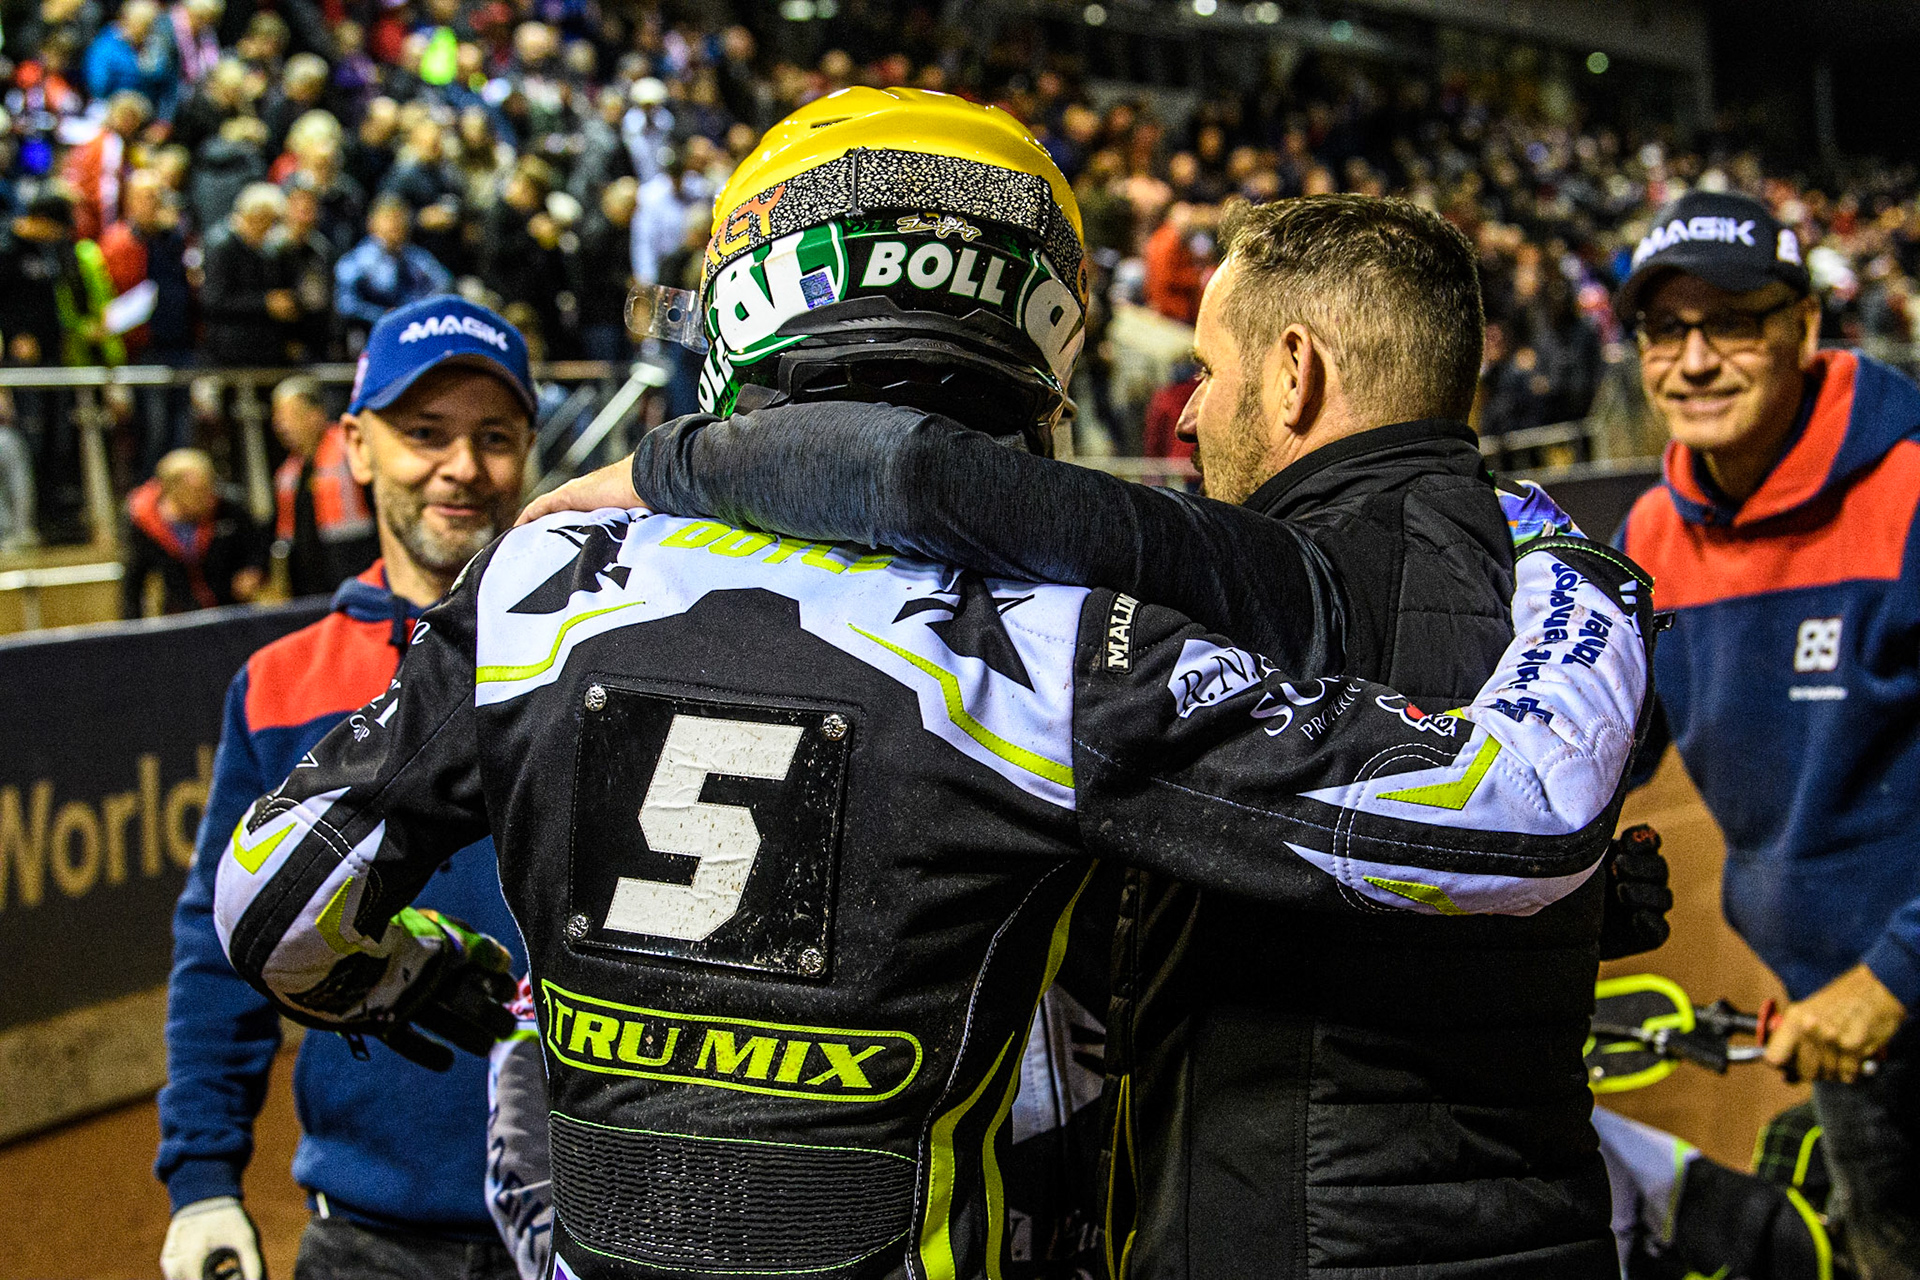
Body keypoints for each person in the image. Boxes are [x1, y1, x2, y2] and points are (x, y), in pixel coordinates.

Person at [214, 91, 1655, 1280]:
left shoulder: (534, 582)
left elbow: (267, 903)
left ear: (755, 294)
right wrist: (1577, 581)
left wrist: (433, 983)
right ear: (1028, 325)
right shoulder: (1045, 639)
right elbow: (1508, 822)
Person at [156, 297, 537, 1280]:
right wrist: (203, 1176)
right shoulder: (279, 681)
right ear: (356, 447)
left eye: (494, 437)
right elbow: (217, 949)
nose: (462, 466)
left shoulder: (593, 657)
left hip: (585, 1221)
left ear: (528, 452)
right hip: (367, 1227)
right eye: (425, 433)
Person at [1616, 189, 1920, 1279]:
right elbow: (1600, 749)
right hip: (1845, 1025)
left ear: (1801, 323)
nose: (1694, 360)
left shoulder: (1913, 488)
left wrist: (1894, 974)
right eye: (1665, 329)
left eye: (1731, 322)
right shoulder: (1651, 532)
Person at [123, 448, 267, 616]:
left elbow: (257, 545)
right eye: (197, 491)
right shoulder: (145, 522)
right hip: (181, 616)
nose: (208, 498)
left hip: (232, 611)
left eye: (210, 487)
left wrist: (253, 570)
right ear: (172, 491)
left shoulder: (229, 508)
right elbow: (133, 583)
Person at [270, 375, 376, 596]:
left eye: (291, 416)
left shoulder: (350, 450)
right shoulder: (289, 471)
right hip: (311, 586)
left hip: (354, 571)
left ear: (315, 415)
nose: (282, 426)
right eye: (278, 418)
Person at [333, 195, 452, 351]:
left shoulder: (416, 259)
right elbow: (345, 305)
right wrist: (383, 316)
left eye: (400, 217)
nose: (396, 223)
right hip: (370, 336)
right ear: (372, 223)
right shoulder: (355, 263)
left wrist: (415, 310)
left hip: (414, 332)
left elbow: (444, 285)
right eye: (389, 218)